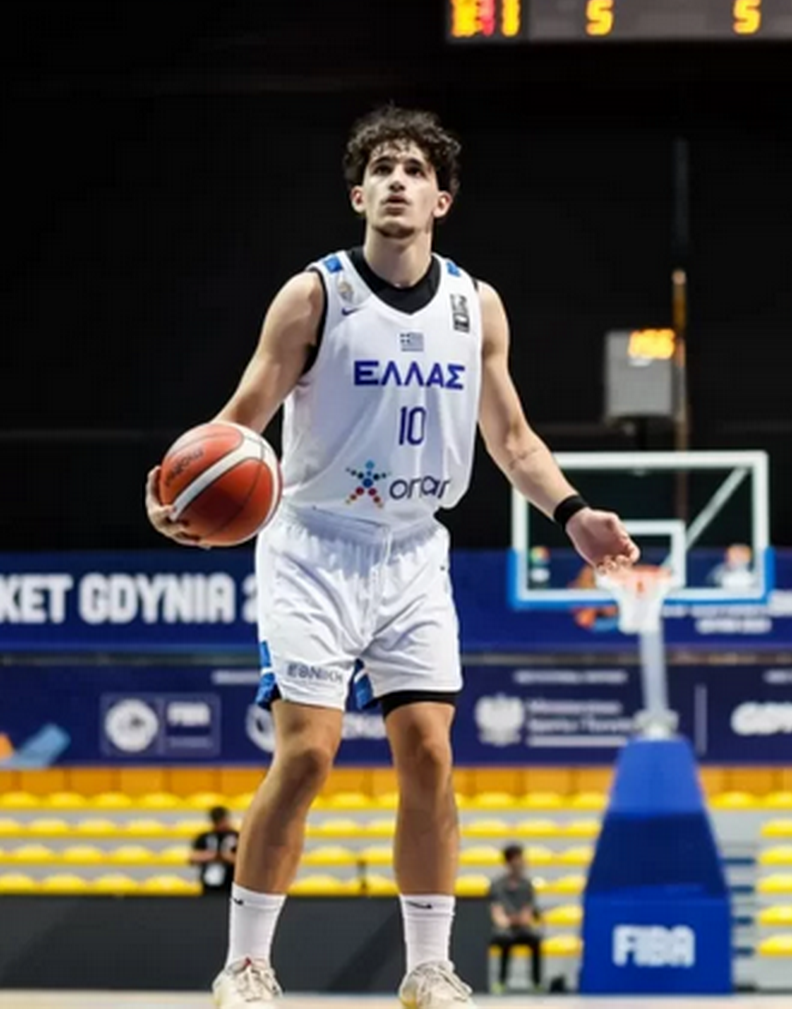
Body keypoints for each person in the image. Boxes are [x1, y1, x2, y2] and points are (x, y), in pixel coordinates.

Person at [145, 106, 638, 1008]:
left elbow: (513, 439)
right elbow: (240, 422)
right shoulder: (314, 296)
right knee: (308, 755)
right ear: (358, 195)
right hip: (313, 544)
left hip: (413, 549)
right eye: (382, 169)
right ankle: (247, 964)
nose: (398, 181)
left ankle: (428, 966)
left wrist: (572, 513)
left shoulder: (475, 306)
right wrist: (179, 490)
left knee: (431, 753)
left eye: (415, 170)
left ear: (442, 200)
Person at [488, 844, 543, 993]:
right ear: (509, 861)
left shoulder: (527, 885)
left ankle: (537, 982)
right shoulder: (497, 885)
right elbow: (496, 910)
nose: (521, 863)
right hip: (503, 929)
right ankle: (501, 982)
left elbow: (529, 910)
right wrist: (506, 920)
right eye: (518, 859)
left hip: (522, 928)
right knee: (505, 939)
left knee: (535, 939)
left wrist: (523, 918)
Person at [191, 805, 240, 894]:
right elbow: (193, 858)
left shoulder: (237, 836)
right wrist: (212, 856)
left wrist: (227, 857)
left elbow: (245, 861)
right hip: (208, 886)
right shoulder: (204, 837)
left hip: (231, 885)